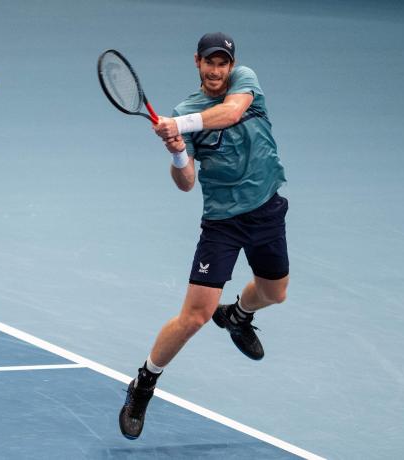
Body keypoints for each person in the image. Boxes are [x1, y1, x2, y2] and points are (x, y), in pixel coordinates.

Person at [119, 32, 290, 440]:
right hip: (223, 222)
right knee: (195, 315)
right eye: (209, 62)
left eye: (223, 63)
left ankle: (237, 316)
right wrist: (178, 150)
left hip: (266, 207)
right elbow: (186, 182)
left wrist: (179, 124)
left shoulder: (245, 83)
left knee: (274, 293)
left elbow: (231, 114)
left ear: (232, 66)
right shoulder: (185, 110)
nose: (216, 70)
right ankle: (144, 383)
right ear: (196, 62)